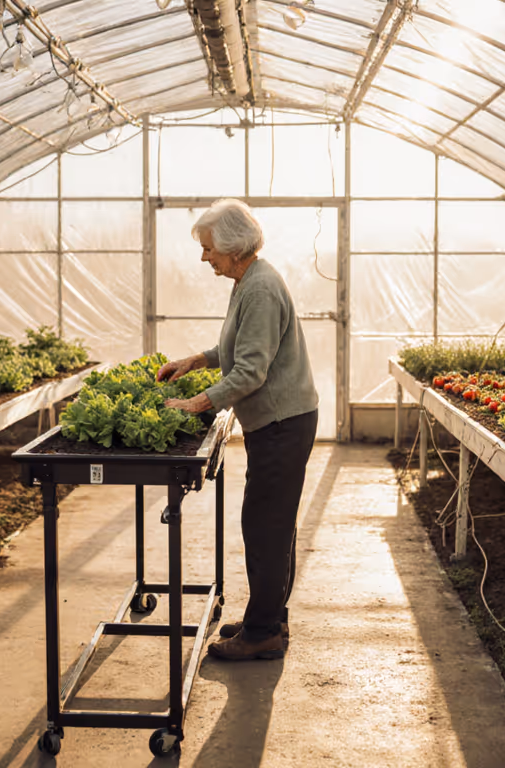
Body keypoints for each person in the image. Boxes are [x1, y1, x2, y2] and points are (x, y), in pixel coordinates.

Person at [157, 198, 319, 662]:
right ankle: (267, 617)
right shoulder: (250, 280)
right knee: (273, 524)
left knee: (265, 526)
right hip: (280, 422)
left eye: (209, 249)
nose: (204, 257)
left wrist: (198, 402)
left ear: (232, 247)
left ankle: (263, 631)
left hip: (283, 424)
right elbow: (239, 344)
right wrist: (199, 360)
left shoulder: (260, 289)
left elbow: (251, 372)